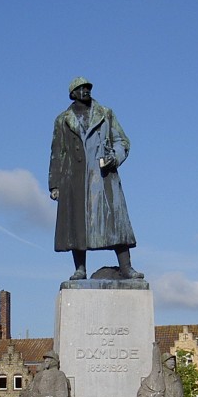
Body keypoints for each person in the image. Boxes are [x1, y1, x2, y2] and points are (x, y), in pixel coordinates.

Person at [49, 77, 143, 281]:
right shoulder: (62, 120)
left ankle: (126, 268)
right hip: (75, 178)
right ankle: (80, 269)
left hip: (103, 177)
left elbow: (122, 141)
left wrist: (115, 157)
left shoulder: (106, 114)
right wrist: (55, 184)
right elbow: (58, 152)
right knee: (76, 225)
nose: (85, 91)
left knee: (117, 223)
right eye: (80, 88)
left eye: (88, 88)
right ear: (72, 93)